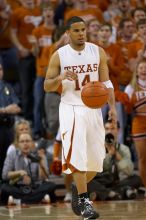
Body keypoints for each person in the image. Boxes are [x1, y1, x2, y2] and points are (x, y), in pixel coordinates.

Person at [44, 16, 117, 219]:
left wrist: (112, 108)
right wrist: (60, 78)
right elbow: (46, 86)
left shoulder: (98, 52)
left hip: (94, 108)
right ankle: (85, 202)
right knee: (77, 155)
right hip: (71, 107)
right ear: (68, 33)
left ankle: (78, 190)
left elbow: (107, 82)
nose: (81, 33)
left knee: (96, 160)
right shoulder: (59, 56)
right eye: (76, 30)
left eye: (83, 29)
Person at [88, 119, 142, 201]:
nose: (109, 131)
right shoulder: (96, 148)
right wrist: (108, 155)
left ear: (118, 130)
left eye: (112, 128)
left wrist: (117, 156)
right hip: (102, 181)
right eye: (107, 129)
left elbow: (129, 171)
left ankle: (107, 194)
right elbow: (96, 170)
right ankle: (123, 191)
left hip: (118, 181)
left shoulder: (124, 149)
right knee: (87, 181)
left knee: (137, 179)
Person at [1, 132, 56, 205]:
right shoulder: (12, 154)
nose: (25, 144)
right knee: (4, 187)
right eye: (22, 141)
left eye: (27, 141)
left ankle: (18, 201)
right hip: (18, 187)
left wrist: (41, 163)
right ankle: (37, 199)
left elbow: (45, 177)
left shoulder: (39, 154)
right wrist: (20, 173)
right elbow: (4, 175)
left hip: (35, 187)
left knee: (51, 185)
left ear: (32, 143)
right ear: (18, 144)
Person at [125, 59, 146, 188]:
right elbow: (128, 110)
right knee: (143, 158)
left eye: (145, 67)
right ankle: (145, 186)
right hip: (139, 122)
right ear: (137, 72)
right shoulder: (130, 87)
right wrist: (126, 103)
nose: (144, 70)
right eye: (141, 68)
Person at [0, 61, 21, 180]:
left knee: (8, 158)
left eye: (1, 69)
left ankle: (8, 188)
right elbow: (9, 108)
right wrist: (4, 110)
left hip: (8, 129)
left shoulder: (7, 86)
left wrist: (5, 111)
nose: (0, 72)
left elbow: (17, 107)